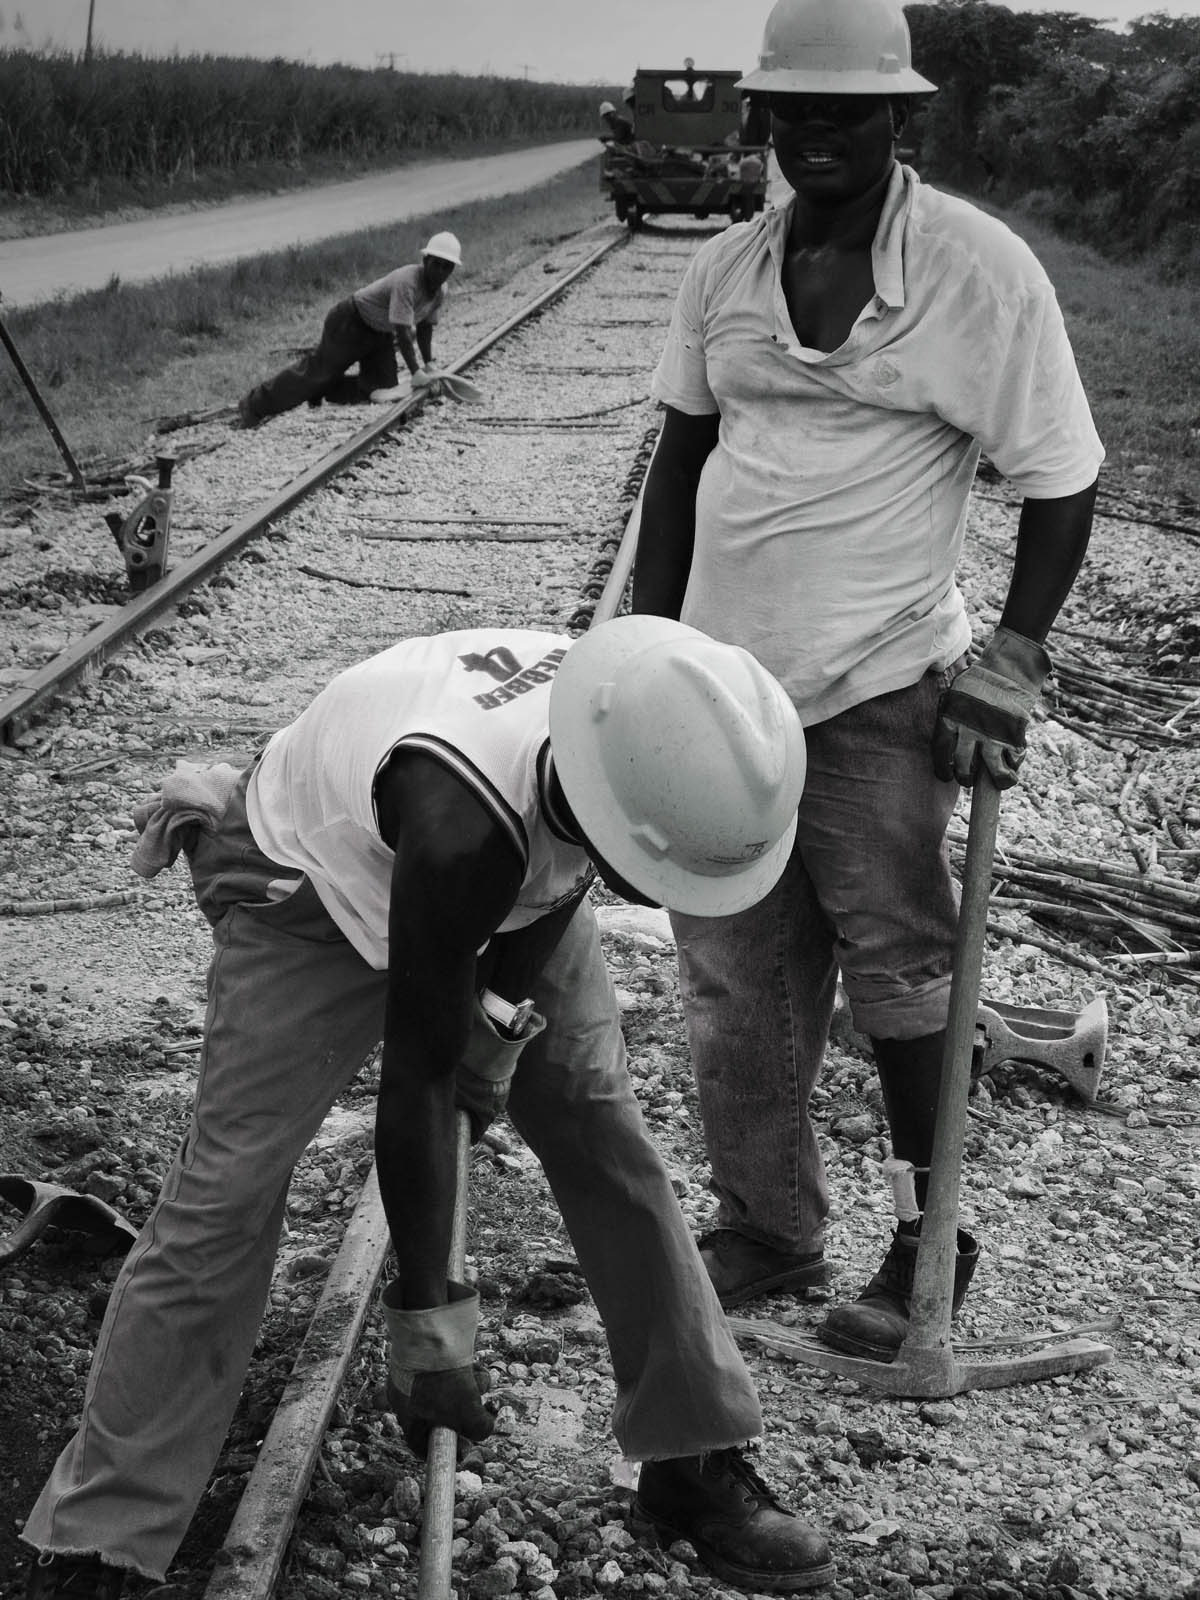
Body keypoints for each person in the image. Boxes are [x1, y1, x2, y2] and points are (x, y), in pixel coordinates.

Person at [21, 617, 839, 1600]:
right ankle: (105, 1528)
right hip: (310, 893)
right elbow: (419, 1079)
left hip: (494, 866)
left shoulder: (630, 729)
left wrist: (499, 1036)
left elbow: (555, 887)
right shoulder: (468, 822)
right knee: (225, 1193)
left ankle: (695, 1451)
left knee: (596, 1120)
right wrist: (432, 1330)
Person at [632, 0, 1104, 1362]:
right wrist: (641, 653)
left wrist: (1007, 662)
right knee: (733, 977)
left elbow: (1065, 477)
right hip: (724, 694)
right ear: (764, 119)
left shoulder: (978, 271)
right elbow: (681, 460)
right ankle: (770, 1231)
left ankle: (927, 1239)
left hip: (887, 688)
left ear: (903, 118)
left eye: (847, 114)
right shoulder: (723, 268)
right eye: (794, 115)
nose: (816, 140)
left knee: (900, 970)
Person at [237, 230, 462, 427]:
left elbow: (424, 329)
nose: (440, 271)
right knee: (316, 372)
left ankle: (323, 389)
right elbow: (404, 333)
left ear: (452, 269)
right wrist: (416, 373)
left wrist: (429, 364)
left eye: (446, 267)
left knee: (381, 389)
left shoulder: (440, 291)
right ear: (425, 260)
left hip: (380, 333)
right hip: (351, 322)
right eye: (436, 264)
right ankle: (254, 404)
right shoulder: (407, 281)